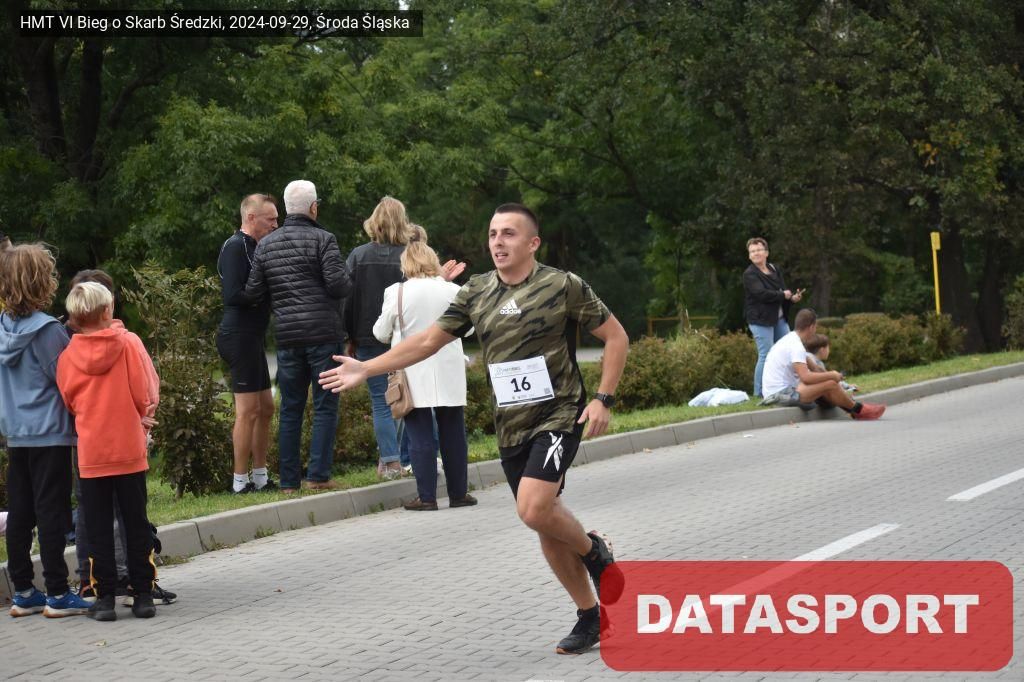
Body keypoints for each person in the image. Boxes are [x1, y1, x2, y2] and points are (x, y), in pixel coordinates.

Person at [321, 203, 629, 655]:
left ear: (533, 243)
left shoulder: (562, 285)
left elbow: (617, 337)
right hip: (511, 424)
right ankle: (590, 615)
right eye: (492, 234)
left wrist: (603, 398)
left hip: (559, 414)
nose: (498, 242)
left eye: (509, 234)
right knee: (544, 521)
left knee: (533, 508)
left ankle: (595, 554)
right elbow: (428, 341)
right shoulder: (476, 291)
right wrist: (367, 368)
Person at [65, 269, 176, 607]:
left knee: (97, 526)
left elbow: (69, 398)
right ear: (107, 310)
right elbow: (145, 391)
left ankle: (103, 599)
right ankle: (142, 593)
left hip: (92, 451)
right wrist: (142, 415)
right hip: (128, 447)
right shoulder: (128, 343)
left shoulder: (69, 354)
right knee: (135, 521)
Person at [0, 243, 92, 618]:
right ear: (42, 280)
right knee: (52, 510)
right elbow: (69, 381)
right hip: (50, 433)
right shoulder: (49, 331)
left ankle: (23, 590)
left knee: (20, 512)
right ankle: (57, 590)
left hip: (16, 433)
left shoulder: (2, 328)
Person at [245, 180, 352, 493]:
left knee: (290, 408)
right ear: (314, 207)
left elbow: (254, 291)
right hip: (324, 334)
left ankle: (289, 482)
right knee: (325, 405)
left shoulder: (266, 245)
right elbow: (338, 286)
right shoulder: (324, 239)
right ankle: (318, 476)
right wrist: (347, 277)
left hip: (288, 337)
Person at [373, 232, 476, 511]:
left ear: (405, 264)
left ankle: (427, 497)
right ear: (433, 261)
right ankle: (458, 494)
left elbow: (380, 332)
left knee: (419, 433)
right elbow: (469, 330)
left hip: (412, 368)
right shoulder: (453, 290)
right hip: (449, 366)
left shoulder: (397, 291)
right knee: (453, 432)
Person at [217, 194, 279, 494]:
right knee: (248, 410)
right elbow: (232, 294)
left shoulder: (257, 247)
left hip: (253, 336)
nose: (276, 224)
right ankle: (239, 482)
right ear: (251, 218)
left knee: (266, 407)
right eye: (271, 219)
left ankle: (261, 476)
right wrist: (265, 291)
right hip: (237, 335)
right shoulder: (235, 246)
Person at [761, 309, 884, 419]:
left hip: (776, 392)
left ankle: (853, 409)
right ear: (811, 327)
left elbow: (814, 368)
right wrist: (832, 375)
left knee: (828, 383)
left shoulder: (790, 339)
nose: (815, 331)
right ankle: (859, 410)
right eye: (815, 327)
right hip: (779, 394)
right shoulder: (796, 346)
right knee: (830, 384)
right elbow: (806, 377)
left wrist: (831, 377)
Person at [743, 237, 803, 398]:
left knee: (789, 351)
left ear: (766, 253)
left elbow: (783, 290)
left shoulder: (774, 269)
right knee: (766, 355)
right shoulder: (749, 274)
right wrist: (783, 295)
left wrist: (792, 298)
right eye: (752, 251)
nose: (756, 253)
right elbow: (761, 294)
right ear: (749, 256)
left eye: (759, 250)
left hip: (779, 319)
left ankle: (789, 386)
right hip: (760, 320)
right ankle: (759, 392)